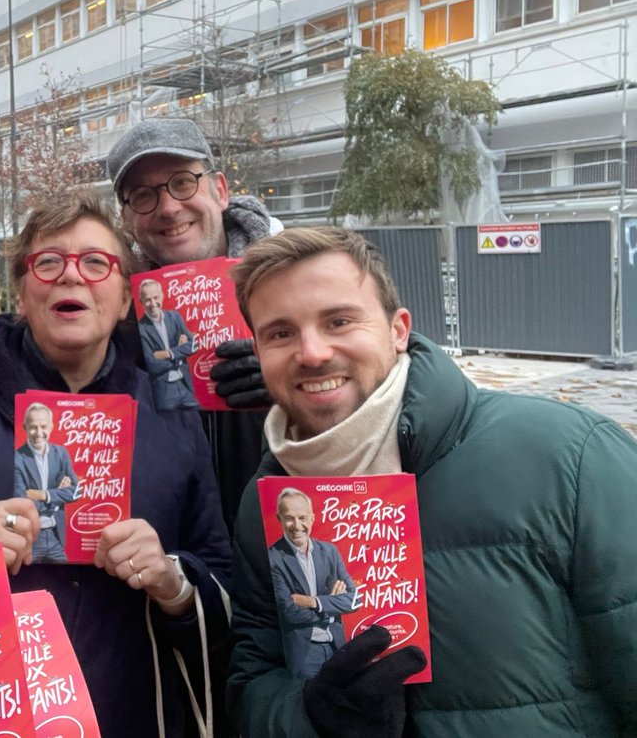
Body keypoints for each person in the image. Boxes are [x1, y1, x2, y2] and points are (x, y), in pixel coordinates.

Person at [227, 226, 637, 738]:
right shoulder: (265, 502)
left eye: (339, 320)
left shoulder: (569, 454)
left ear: (399, 329)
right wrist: (308, 717)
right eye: (280, 333)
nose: (311, 352)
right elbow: (251, 680)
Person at [0, 192, 231, 738]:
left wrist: (172, 580)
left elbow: (222, 574)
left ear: (124, 298)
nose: (71, 277)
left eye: (96, 263)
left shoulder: (172, 411)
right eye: (48, 262)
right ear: (22, 291)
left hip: (132, 713)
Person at [108, 118, 280, 530]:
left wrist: (287, 382)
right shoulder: (113, 315)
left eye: (183, 182)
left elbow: (376, 385)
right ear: (127, 217)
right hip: (169, 561)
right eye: (144, 196)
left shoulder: (294, 281)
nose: (168, 208)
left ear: (219, 190)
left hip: (277, 539)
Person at [266, 488, 357, 680]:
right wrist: (333, 606)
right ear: (279, 518)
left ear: (312, 518)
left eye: (302, 517)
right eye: (289, 518)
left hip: (337, 647)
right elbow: (289, 613)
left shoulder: (330, 551)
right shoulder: (273, 558)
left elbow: (354, 600)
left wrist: (313, 602)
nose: (297, 525)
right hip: (304, 654)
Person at [12, 402, 78, 563]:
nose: (38, 432)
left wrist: (44, 495)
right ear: (25, 427)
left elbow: (76, 491)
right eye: (33, 427)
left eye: (43, 427)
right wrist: (58, 498)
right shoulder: (17, 458)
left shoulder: (61, 453)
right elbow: (22, 501)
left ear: (51, 427)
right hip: (31, 537)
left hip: (56, 534)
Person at [136, 278, 198, 410]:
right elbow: (151, 365)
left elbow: (194, 345)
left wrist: (168, 353)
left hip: (185, 385)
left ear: (162, 296)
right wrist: (180, 353)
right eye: (147, 299)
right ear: (141, 302)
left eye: (156, 297)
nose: (153, 303)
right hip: (164, 392)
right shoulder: (141, 329)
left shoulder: (174, 317)